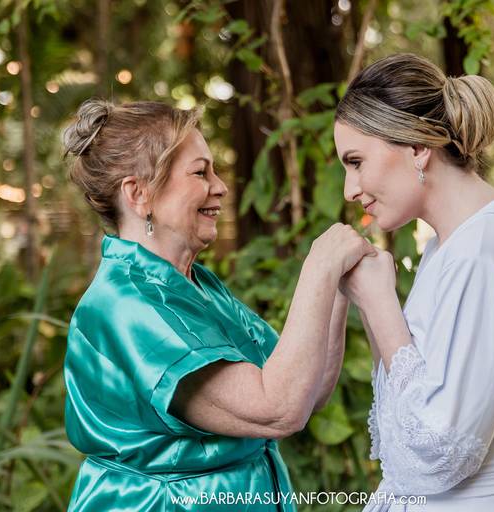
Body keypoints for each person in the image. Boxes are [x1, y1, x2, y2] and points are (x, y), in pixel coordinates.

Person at [61, 99, 374, 511]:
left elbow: (304, 392)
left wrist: (336, 286)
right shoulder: (125, 305)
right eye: (200, 172)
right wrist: (318, 268)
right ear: (139, 193)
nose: (221, 186)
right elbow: (277, 409)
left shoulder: (196, 284)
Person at [334, 53, 494, 511]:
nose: (349, 189)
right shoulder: (448, 248)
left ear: (417, 147)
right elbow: (406, 417)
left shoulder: (484, 252)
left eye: (356, 162)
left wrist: (379, 304)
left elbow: (440, 453)